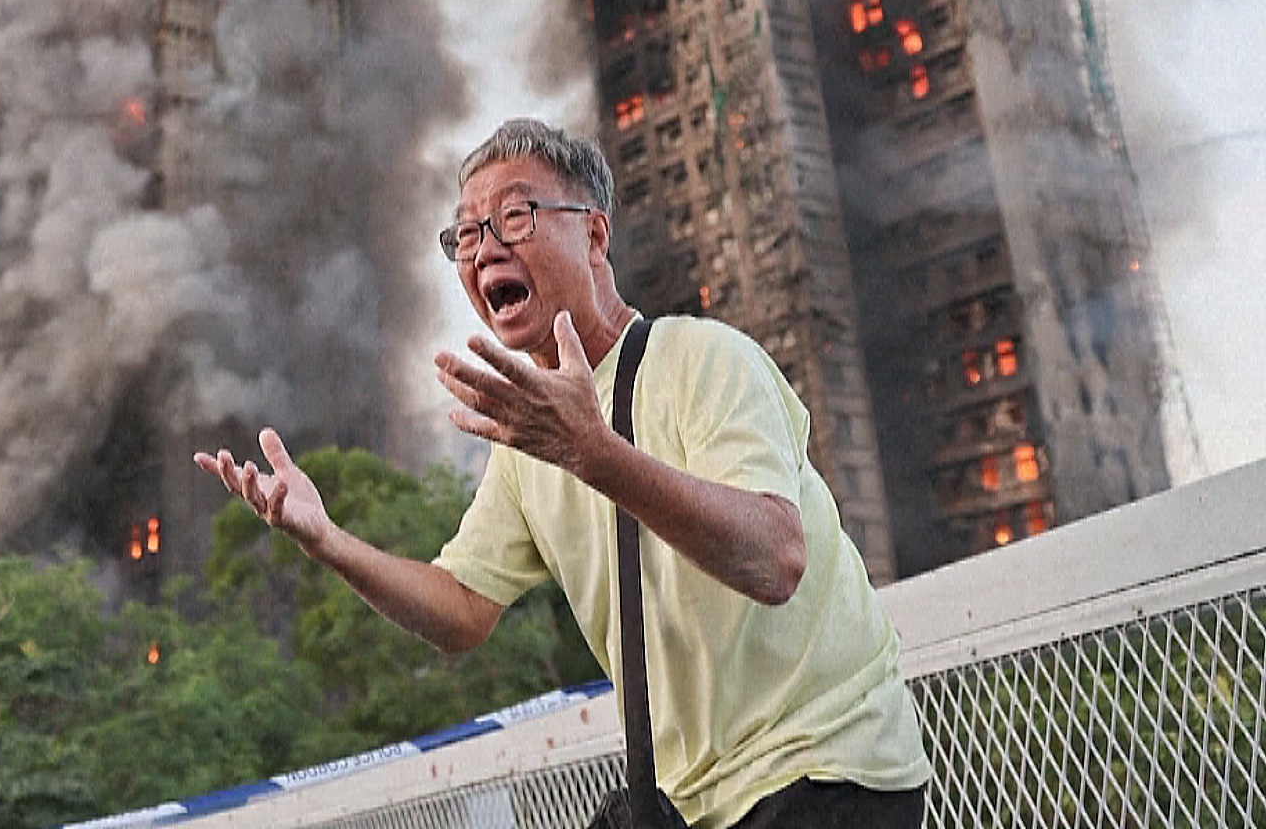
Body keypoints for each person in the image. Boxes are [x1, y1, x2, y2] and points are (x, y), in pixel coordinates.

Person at [195, 118, 931, 828]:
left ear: (595, 233)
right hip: (688, 802)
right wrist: (327, 541)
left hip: (824, 771)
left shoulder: (702, 358)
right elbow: (460, 611)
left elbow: (776, 559)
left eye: (515, 217)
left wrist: (594, 452)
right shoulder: (526, 443)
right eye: (467, 235)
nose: (485, 250)